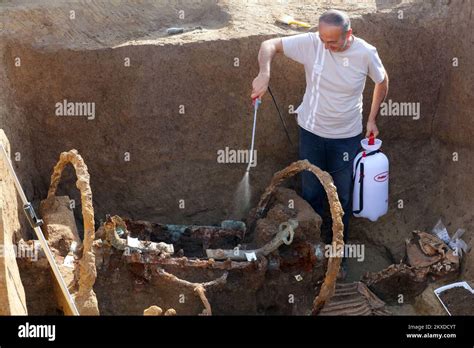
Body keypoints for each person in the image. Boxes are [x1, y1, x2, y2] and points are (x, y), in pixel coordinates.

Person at [251, 9, 389, 279]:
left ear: (348, 34)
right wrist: (264, 73)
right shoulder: (313, 43)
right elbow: (268, 45)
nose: (326, 46)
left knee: (342, 199)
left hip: (346, 138)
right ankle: (313, 255)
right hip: (311, 133)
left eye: (333, 42)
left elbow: (382, 81)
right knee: (312, 194)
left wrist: (372, 119)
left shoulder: (365, 52)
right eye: (323, 39)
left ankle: (338, 255)